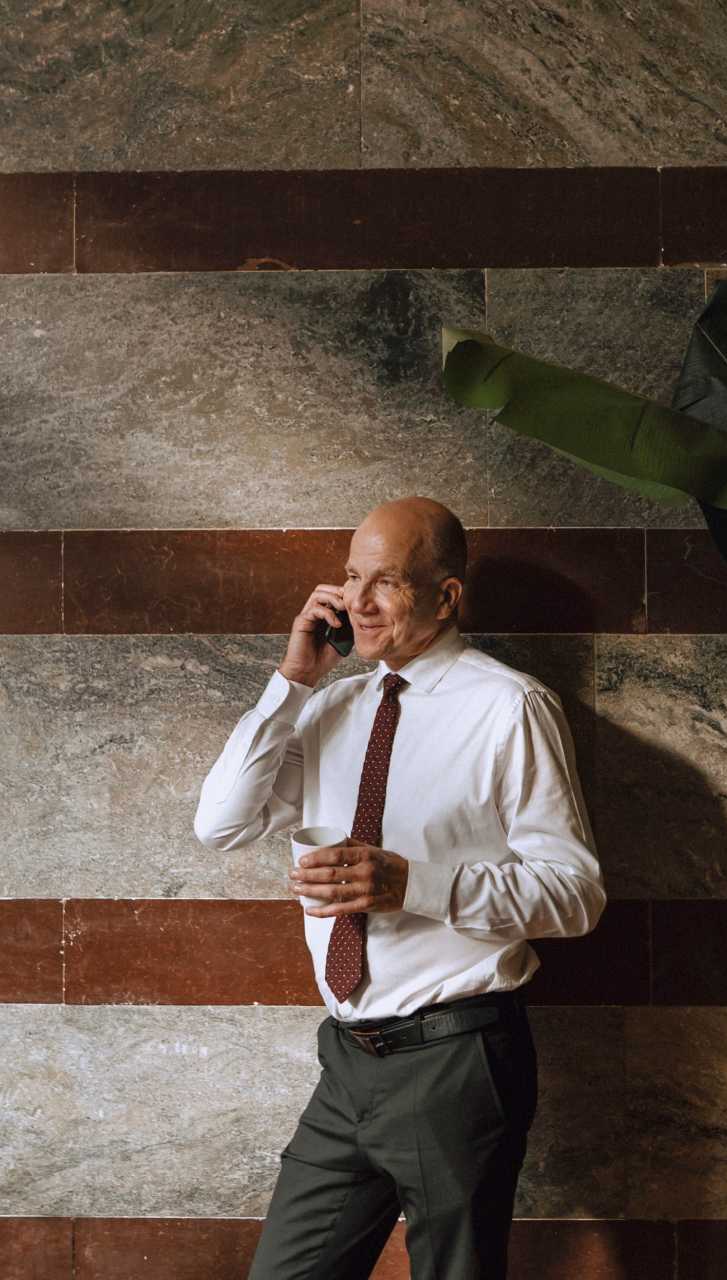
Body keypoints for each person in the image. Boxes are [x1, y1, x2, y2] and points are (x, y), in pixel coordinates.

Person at [193, 495, 606, 1280]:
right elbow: (220, 824)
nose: (358, 600)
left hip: (458, 1058)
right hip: (347, 1061)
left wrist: (415, 884)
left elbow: (575, 895)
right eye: (352, 578)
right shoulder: (332, 709)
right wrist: (292, 681)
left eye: (386, 581)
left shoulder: (509, 708)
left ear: (447, 597)